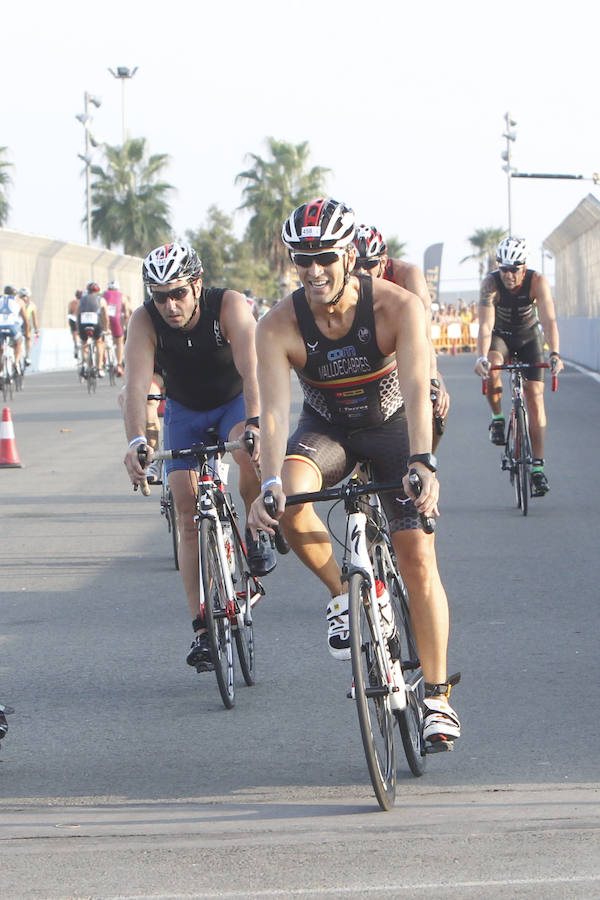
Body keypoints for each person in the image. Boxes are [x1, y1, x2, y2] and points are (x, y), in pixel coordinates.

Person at [248, 199, 460, 749]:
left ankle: (436, 696)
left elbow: (416, 388)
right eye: (301, 260)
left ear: (349, 256)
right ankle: (349, 595)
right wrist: (269, 481)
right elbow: (272, 414)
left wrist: (422, 461)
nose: (313, 271)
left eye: (323, 258)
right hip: (328, 431)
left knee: (416, 556)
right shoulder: (277, 324)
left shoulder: (397, 306)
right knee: (290, 501)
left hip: (391, 427)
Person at [122, 241, 275, 672]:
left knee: (249, 454)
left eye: (178, 294)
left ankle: (255, 527)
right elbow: (135, 387)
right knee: (188, 518)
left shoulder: (227, 305)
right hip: (185, 411)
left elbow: (253, 370)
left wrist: (257, 424)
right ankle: (203, 630)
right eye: (159, 296)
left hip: (232, 401)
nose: (170, 305)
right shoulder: (144, 321)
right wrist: (135, 441)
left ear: (197, 285)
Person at [474, 237, 563, 496]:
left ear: (524, 268)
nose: (509, 275)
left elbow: (548, 320)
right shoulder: (491, 284)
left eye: (514, 270)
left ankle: (537, 467)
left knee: (535, 397)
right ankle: (498, 418)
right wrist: (481, 357)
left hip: (528, 337)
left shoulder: (537, 282)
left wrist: (555, 353)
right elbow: (484, 326)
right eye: (504, 269)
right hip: (500, 336)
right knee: (493, 366)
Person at [352, 225, 449, 450]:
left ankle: (424, 462)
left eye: (370, 264)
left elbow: (424, 334)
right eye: (356, 265)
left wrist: (432, 379)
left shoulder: (407, 275)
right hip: (361, 354)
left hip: (402, 350)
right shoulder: (343, 282)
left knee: (436, 404)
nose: (362, 272)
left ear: (383, 262)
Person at [77, 282, 108, 376]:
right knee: (99, 342)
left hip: (83, 322)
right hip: (95, 322)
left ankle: (84, 364)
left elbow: (77, 313)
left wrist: (78, 327)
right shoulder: (100, 299)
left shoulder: (82, 299)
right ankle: (99, 368)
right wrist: (106, 327)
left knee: (84, 342)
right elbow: (105, 315)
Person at [0, 285, 29, 373]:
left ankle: (0, 371)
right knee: (18, 343)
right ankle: (16, 362)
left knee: (1, 349)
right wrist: (27, 333)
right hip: (12, 327)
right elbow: (26, 320)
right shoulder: (19, 301)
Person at [103, 280, 128, 376]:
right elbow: (126, 312)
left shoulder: (103, 295)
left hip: (105, 320)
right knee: (119, 341)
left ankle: (103, 359)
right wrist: (126, 324)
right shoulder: (122, 296)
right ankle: (119, 364)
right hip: (117, 319)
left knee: (101, 341)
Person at [19, 288, 38, 365]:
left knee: (28, 338)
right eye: (22, 296)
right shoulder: (17, 303)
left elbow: (35, 319)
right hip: (18, 324)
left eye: (25, 296)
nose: (24, 298)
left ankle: (27, 356)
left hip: (27, 325)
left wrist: (36, 330)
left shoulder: (32, 306)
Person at [68, 290, 83, 359]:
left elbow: (69, 312)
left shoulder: (72, 303)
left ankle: (76, 344)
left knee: (74, 333)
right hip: (81, 318)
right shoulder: (83, 302)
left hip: (73, 318)